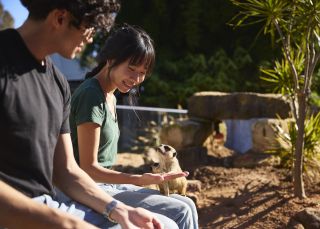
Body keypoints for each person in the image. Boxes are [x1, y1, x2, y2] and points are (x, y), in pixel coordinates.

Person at [0, 1, 182, 228]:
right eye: (89, 28)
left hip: (48, 204)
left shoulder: (57, 83)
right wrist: (67, 223)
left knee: (165, 224)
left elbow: (67, 171)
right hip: (21, 215)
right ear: (60, 18)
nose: (90, 39)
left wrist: (119, 210)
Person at [69, 24, 199, 229]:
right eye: (131, 69)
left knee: (187, 203)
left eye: (142, 72)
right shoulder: (91, 95)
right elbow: (88, 168)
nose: (137, 79)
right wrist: (138, 180)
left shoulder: (109, 96)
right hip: (85, 188)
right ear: (111, 60)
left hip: (104, 185)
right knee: (180, 211)